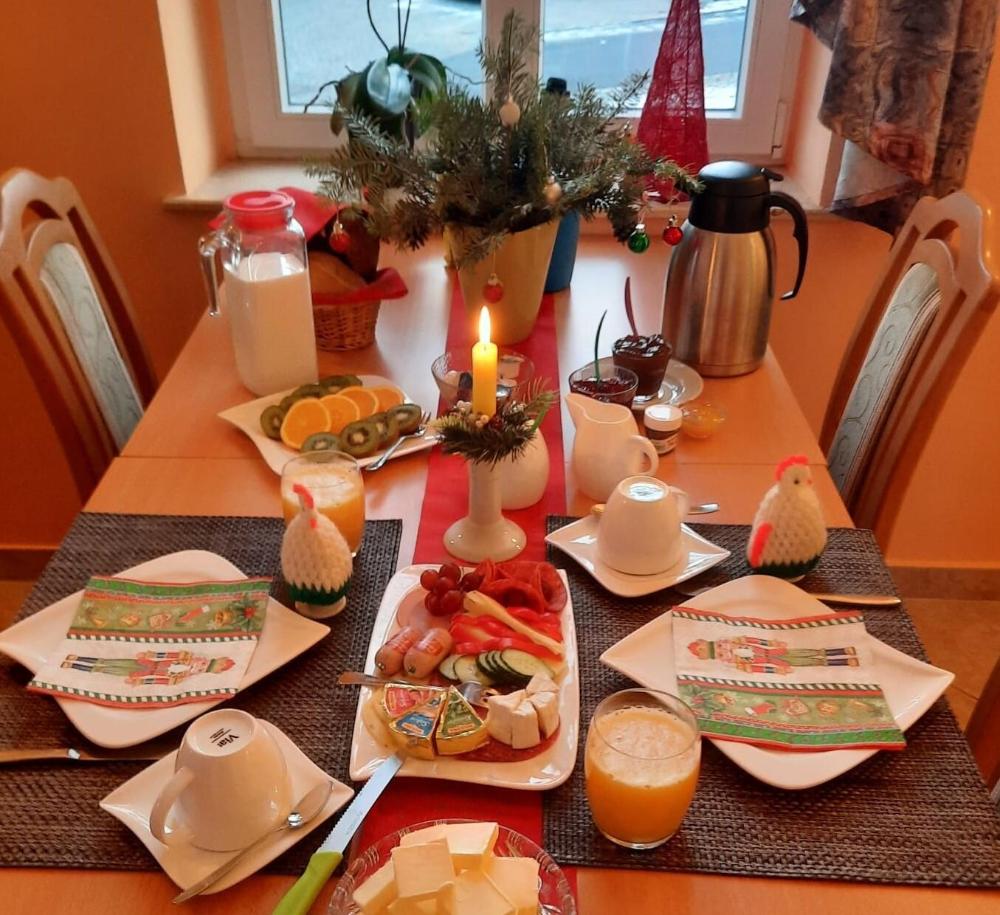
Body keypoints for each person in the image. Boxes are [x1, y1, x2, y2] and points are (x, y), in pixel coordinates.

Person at [687, 637, 858, 675]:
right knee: (809, 662)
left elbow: (752, 640)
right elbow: (756, 668)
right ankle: (844, 661)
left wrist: (771, 643)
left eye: (720, 648)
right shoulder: (733, 662)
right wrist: (775, 671)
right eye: (719, 653)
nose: (723, 651)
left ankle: (842, 652)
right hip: (773, 661)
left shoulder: (735, 642)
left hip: (775, 652)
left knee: (811, 653)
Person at [60, 650, 235, 686]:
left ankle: (74, 664)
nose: (198, 666)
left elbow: (160, 680)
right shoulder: (185, 658)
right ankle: (78, 658)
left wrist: (142, 682)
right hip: (148, 663)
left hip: (144, 672)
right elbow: (168, 655)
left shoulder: (182, 677)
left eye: (202, 668)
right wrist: (151, 654)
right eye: (202, 663)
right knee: (106, 661)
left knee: (105, 669)